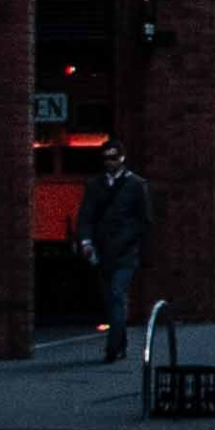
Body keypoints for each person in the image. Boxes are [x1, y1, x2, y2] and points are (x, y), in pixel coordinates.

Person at [73, 141, 153, 363]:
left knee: (117, 295)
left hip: (125, 252)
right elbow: (85, 217)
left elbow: (144, 220)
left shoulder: (137, 185)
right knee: (111, 299)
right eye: (106, 157)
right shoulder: (94, 185)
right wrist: (86, 242)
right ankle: (120, 342)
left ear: (122, 158)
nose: (109, 161)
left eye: (113, 157)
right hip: (103, 252)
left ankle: (113, 347)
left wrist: (131, 242)